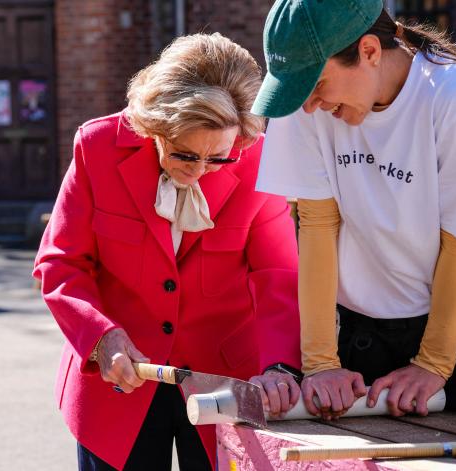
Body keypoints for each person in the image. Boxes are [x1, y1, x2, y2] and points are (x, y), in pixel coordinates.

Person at [252, 0, 456, 420]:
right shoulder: (306, 104)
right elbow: (316, 225)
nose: (309, 105)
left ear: (369, 51)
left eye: (316, 85)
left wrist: (433, 363)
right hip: (368, 336)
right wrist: (321, 362)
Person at [33, 33, 302, 471]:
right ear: (154, 127)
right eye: (184, 154)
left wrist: (280, 368)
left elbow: (278, 275)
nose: (198, 172)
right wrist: (101, 337)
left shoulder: (257, 159)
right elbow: (62, 262)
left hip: (225, 380)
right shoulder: (97, 146)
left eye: (218, 158)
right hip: (118, 382)